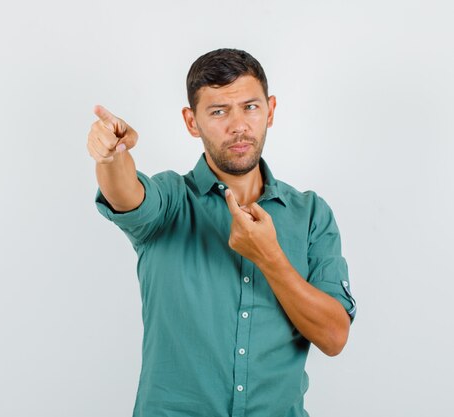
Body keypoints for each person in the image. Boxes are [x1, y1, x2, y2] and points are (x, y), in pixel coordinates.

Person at [87, 48, 356, 417]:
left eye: (250, 107)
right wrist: (111, 155)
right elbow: (126, 194)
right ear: (191, 121)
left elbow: (334, 337)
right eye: (218, 111)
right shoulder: (171, 200)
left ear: (271, 110)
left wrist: (269, 257)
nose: (238, 125)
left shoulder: (311, 215)